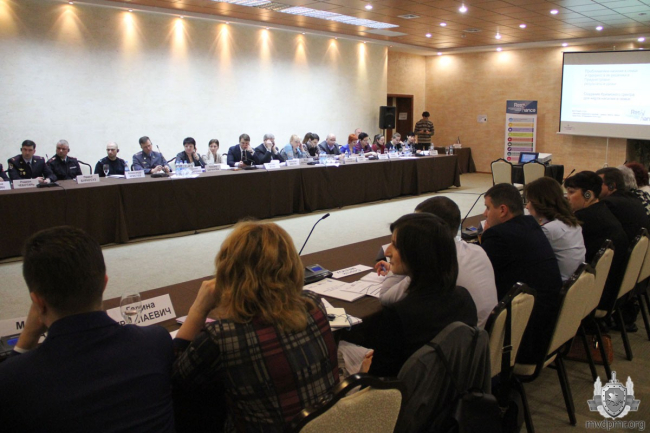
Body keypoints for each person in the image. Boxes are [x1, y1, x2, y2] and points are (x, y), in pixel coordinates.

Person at [0, 226, 175, 432]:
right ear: (104, 283)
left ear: (37, 301)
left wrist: (25, 341)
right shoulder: (155, 342)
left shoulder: (15, 378)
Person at [172, 221, 339, 432]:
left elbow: (177, 380)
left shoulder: (221, 337)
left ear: (228, 272)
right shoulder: (313, 303)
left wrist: (198, 309)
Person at [359, 213, 477, 377]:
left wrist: (366, 370)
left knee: (343, 350)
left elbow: (380, 380)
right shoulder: (464, 298)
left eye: (395, 245)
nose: (387, 251)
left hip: (407, 391)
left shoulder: (398, 316)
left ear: (416, 254)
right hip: (452, 386)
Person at [376, 197, 498, 328]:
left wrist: (400, 266)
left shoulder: (432, 268)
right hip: (484, 334)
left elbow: (386, 297)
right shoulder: (477, 250)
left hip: (463, 337)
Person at [480, 183, 562, 363]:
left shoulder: (498, 236)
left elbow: (478, 272)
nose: (485, 214)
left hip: (523, 337)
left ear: (503, 210)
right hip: (549, 327)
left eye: (488, 208)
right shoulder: (531, 225)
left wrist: (482, 240)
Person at [564, 171, 629, 312]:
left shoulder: (583, 221)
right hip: (611, 291)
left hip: (595, 296)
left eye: (571, 192)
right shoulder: (602, 210)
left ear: (588, 195)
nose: (567, 197)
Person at [524, 177, 586, 281]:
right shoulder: (571, 223)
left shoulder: (549, 230)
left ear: (540, 202)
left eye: (530, 201)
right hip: (575, 282)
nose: (527, 206)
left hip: (560, 285)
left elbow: (526, 257)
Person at [595, 167, 650, 243]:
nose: (594, 188)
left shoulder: (609, 203)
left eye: (598, 184)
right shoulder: (633, 198)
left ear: (611, 186)